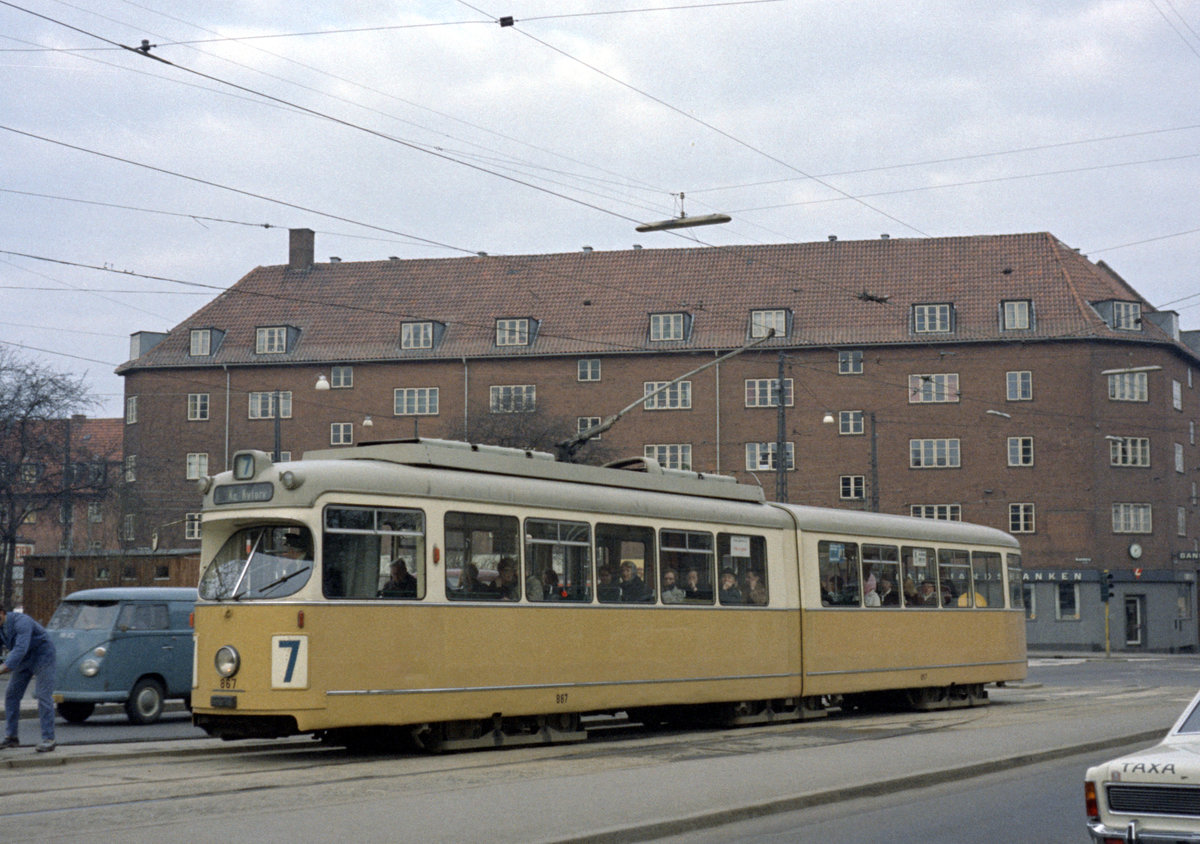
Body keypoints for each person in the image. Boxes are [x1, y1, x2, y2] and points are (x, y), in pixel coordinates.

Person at [0, 605, 56, 752]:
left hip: (42, 656)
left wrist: (4, 668)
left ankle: (48, 739)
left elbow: (20, 648)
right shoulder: (1, 627)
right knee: (11, 695)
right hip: (24, 659)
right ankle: (11, 738)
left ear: (2, 613)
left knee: (43, 695)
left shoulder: (21, 621)